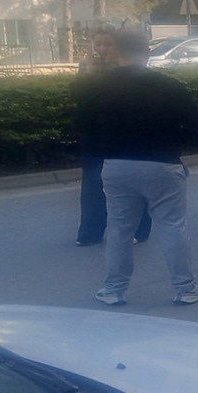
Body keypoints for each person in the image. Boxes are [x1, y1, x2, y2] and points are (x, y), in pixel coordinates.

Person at [73, 28, 198, 306]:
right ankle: (186, 288)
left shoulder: (97, 87)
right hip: (163, 164)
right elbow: (197, 126)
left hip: (116, 165)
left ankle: (113, 290)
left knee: (119, 229)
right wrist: (172, 144)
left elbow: (82, 125)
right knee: (172, 226)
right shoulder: (169, 86)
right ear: (147, 52)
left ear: (116, 51)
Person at [71, 30, 151, 247]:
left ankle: (139, 229)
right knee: (93, 184)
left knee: (132, 184)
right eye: (98, 44)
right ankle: (90, 232)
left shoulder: (128, 68)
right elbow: (78, 98)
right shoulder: (87, 67)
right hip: (94, 137)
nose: (102, 49)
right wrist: (89, 74)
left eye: (108, 44)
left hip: (125, 136)